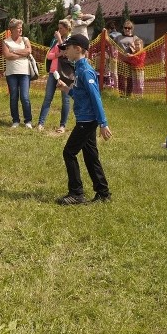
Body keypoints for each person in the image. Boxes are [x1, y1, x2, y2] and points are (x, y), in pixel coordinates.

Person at [53, 34, 112, 205]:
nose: (66, 51)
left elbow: (95, 97)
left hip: (87, 121)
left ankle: (76, 193)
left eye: (68, 48)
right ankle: (103, 193)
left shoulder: (85, 71)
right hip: (86, 119)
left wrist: (103, 123)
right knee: (90, 156)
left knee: (69, 152)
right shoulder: (79, 69)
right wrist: (67, 89)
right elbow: (82, 96)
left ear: (78, 49)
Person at [37, 19, 72, 133]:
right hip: (53, 73)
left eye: (61, 28)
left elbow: (67, 54)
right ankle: (40, 123)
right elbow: (49, 56)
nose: (58, 30)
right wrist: (58, 54)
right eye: (58, 28)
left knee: (65, 100)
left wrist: (60, 40)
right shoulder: (55, 41)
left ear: (67, 29)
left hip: (65, 74)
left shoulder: (71, 40)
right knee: (48, 98)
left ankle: (62, 126)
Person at [2, 18, 34, 128]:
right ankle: (15, 120)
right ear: (12, 29)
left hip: (25, 72)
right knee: (14, 97)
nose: (20, 29)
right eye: (18, 28)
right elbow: (7, 56)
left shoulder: (25, 39)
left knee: (25, 97)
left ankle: (28, 121)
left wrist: (14, 51)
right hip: (11, 73)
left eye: (21, 27)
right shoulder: (6, 42)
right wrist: (22, 53)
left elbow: (29, 51)